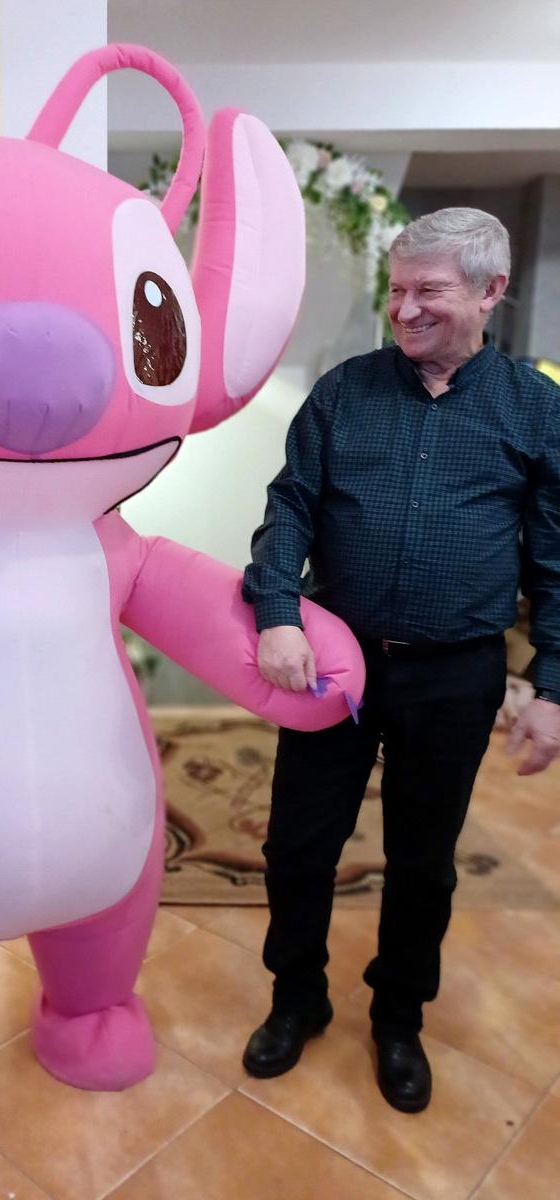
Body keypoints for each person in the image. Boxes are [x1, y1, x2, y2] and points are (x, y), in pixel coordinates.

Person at [241, 208, 560, 1114]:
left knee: (423, 861)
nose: (406, 308)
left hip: (455, 677)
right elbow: (290, 507)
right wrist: (277, 611)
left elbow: (556, 559)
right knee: (297, 845)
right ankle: (296, 997)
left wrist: (551, 685)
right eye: (397, 289)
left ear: (492, 292)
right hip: (335, 665)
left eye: (430, 291)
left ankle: (398, 1018)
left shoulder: (536, 409)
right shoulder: (343, 392)